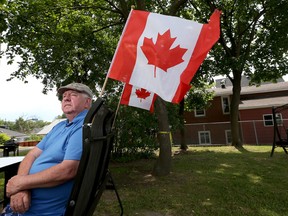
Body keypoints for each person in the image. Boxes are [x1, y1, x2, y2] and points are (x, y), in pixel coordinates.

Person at [2, 83, 93, 216]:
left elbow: (69, 170)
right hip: (26, 203)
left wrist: (21, 183)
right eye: (64, 96)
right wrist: (22, 186)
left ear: (87, 103)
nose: (66, 98)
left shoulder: (82, 128)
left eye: (73, 95)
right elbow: (32, 154)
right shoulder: (59, 126)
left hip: (41, 211)